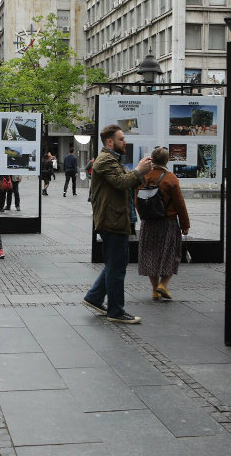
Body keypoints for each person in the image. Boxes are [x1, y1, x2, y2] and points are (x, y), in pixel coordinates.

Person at [82, 124, 151, 324]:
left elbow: (124, 185)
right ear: (110, 142)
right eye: (121, 139)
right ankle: (116, 311)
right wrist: (139, 171)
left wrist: (140, 174)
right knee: (116, 268)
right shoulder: (105, 160)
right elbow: (121, 182)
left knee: (115, 264)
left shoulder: (112, 159)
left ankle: (94, 297)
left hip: (117, 219)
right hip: (112, 221)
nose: (125, 142)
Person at [136, 147, 189, 301]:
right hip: (168, 223)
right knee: (170, 254)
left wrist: (143, 217)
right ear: (167, 160)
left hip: (149, 223)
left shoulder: (144, 176)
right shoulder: (171, 178)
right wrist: (185, 224)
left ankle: (154, 290)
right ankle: (163, 285)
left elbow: (137, 200)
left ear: (152, 159)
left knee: (151, 255)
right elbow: (180, 204)